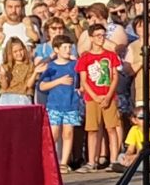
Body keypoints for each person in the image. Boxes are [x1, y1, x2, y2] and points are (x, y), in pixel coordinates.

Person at [78, 33, 124, 171]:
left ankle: (114, 160)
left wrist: (109, 95)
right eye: (97, 36)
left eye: (103, 35)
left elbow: (115, 77)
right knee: (92, 129)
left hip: (109, 96)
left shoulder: (110, 56)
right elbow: (84, 80)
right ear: (91, 38)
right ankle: (92, 161)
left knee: (111, 128)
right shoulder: (85, 58)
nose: (101, 38)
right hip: (92, 98)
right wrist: (95, 96)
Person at [38, 38, 83, 167]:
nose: (68, 50)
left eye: (70, 47)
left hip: (71, 104)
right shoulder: (51, 66)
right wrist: (59, 81)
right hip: (54, 105)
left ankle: (64, 162)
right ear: (56, 50)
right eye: (64, 47)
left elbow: (81, 81)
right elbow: (42, 86)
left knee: (68, 133)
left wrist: (81, 89)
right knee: (54, 134)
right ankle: (50, 161)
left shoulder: (75, 65)